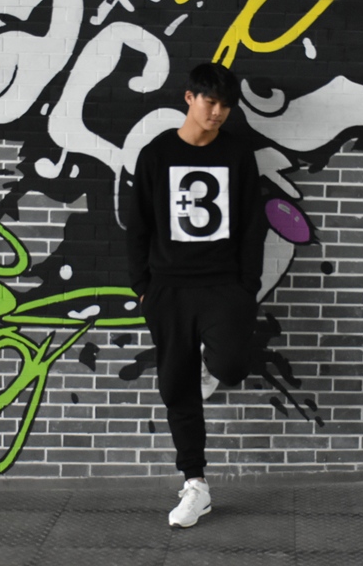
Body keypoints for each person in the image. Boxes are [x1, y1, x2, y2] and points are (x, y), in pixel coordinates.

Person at [125, 62, 266, 528]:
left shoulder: (238, 154)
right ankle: (195, 484)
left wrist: (247, 286)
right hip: (168, 288)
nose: (218, 112)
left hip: (224, 285)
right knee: (175, 388)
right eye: (210, 101)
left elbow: (253, 224)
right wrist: (142, 288)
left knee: (232, 365)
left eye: (226, 105)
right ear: (189, 98)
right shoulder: (156, 154)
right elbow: (138, 225)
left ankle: (209, 361)